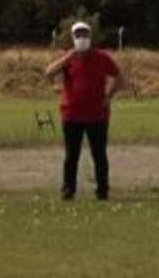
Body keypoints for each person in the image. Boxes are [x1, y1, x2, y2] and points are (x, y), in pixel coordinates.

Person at [45, 20, 125, 201]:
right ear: (73, 37)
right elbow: (49, 72)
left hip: (97, 115)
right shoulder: (67, 58)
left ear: (90, 36)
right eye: (78, 34)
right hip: (71, 115)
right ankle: (68, 191)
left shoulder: (102, 57)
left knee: (99, 155)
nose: (81, 37)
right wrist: (67, 58)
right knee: (71, 156)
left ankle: (102, 191)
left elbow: (119, 78)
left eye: (84, 34)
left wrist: (108, 96)